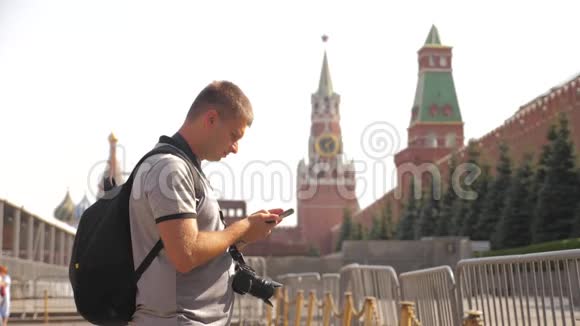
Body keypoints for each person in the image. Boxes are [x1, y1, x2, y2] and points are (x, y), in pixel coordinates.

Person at [129, 81, 283, 325]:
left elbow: (188, 253)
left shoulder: (183, 168)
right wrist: (242, 227)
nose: (235, 148)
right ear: (211, 119)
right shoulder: (171, 169)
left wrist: (245, 236)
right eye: (234, 136)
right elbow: (186, 254)